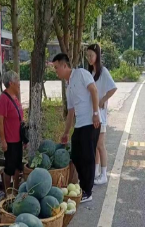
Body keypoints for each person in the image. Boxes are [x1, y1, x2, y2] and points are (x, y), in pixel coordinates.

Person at [53, 53, 100, 203]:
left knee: (88, 157)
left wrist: (95, 113)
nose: (56, 71)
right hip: (80, 124)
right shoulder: (68, 87)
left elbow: (94, 90)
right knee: (75, 156)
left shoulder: (81, 74)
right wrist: (66, 133)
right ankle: (83, 184)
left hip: (90, 122)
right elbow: (71, 112)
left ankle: (88, 191)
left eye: (56, 67)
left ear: (65, 65)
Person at [86, 44, 117, 185]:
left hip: (101, 115)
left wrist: (102, 100)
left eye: (91, 55)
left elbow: (113, 88)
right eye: (87, 55)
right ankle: (96, 172)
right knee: (95, 145)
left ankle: (104, 175)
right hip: (92, 114)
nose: (89, 58)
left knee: (100, 145)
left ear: (97, 56)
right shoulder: (90, 72)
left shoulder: (103, 72)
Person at [0, 71, 25, 191]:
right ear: (11, 83)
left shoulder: (15, 97)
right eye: (17, 81)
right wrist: (3, 141)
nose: (19, 83)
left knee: (18, 166)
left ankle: (15, 190)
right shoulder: (3, 98)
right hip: (10, 140)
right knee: (9, 168)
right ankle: (7, 193)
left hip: (18, 139)